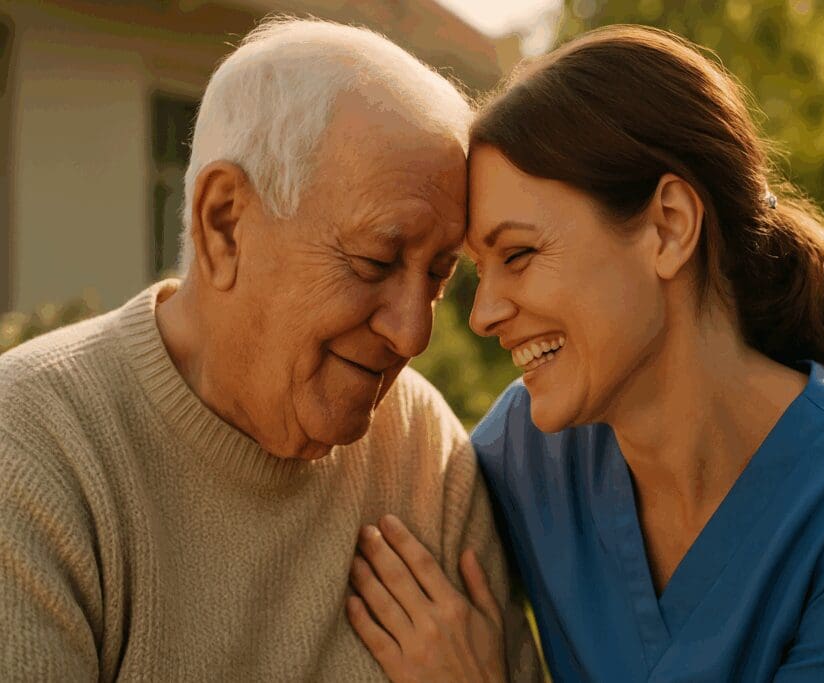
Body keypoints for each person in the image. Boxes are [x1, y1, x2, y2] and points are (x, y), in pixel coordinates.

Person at [347, 25, 824, 682]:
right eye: (479, 271)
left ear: (669, 227)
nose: (483, 314)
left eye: (518, 255)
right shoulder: (531, 456)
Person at [0, 18, 539, 681]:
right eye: (374, 260)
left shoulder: (425, 452)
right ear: (224, 224)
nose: (413, 334)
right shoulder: (29, 447)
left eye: (437, 275)